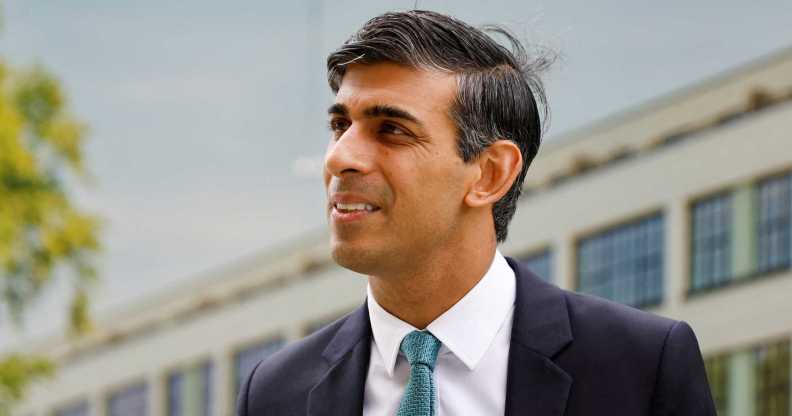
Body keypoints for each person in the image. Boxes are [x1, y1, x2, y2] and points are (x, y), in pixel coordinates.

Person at [237, 10, 716, 416]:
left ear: (490, 174)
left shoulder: (640, 366)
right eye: (340, 125)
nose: (340, 157)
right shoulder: (275, 392)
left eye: (391, 130)